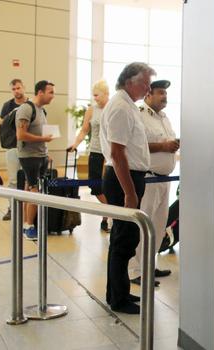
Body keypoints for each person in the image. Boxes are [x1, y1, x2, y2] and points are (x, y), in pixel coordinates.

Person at [100, 62, 154, 314]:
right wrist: (130, 192)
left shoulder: (126, 105)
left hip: (129, 176)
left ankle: (118, 292)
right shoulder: (121, 107)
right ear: (130, 81)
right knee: (124, 239)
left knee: (124, 238)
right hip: (124, 179)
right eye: (145, 82)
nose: (148, 87)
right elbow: (117, 153)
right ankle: (117, 299)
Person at [130, 79, 177, 286]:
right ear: (148, 95)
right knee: (143, 225)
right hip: (148, 179)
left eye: (165, 93)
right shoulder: (140, 116)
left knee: (159, 224)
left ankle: (150, 265)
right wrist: (164, 146)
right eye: (160, 92)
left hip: (164, 180)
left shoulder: (165, 118)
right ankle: (135, 270)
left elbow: (167, 145)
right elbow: (136, 145)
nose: (164, 96)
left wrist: (173, 145)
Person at [67, 79, 110, 232]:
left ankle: (107, 218)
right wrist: (75, 144)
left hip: (112, 153)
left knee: (111, 186)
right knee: (95, 186)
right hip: (96, 151)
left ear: (106, 94)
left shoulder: (113, 108)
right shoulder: (92, 110)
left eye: (97, 95)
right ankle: (111, 212)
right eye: (93, 95)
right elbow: (85, 130)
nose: (95, 98)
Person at [0, 79, 28, 220]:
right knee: (13, 180)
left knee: (30, 181)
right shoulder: (7, 106)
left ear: (23, 88)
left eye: (18, 88)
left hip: (30, 149)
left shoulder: (30, 105)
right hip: (12, 148)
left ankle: (29, 211)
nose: (16, 91)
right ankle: (12, 208)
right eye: (14, 89)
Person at [16, 80, 55, 240]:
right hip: (29, 156)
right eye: (50, 92)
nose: (53, 95)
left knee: (30, 189)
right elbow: (21, 135)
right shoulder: (26, 108)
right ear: (40, 92)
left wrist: (46, 149)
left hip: (40, 155)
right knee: (34, 190)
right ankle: (29, 226)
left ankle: (26, 222)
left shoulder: (42, 111)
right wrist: (43, 139)